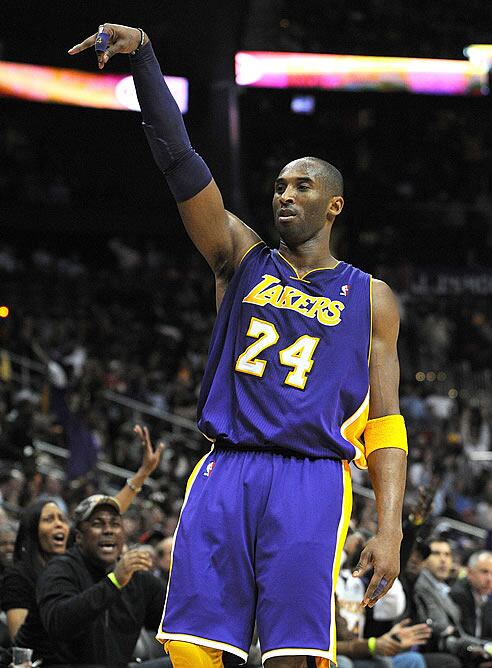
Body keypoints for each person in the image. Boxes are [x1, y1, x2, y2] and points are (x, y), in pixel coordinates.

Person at [69, 23, 409, 668]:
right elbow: (179, 162)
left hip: (312, 477)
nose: (284, 194)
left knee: (293, 650)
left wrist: (389, 526)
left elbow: (387, 424)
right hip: (228, 465)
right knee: (195, 646)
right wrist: (145, 61)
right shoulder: (239, 258)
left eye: (301, 186)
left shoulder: (373, 298)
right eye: (279, 185)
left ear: (334, 205)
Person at [0, 425, 163, 653]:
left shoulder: (77, 556)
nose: (59, 524)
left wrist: (143, 473)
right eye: (49, 519)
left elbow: (104, 517)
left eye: (61, 519)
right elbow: (22, 643)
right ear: (31, 531)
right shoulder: (21, 577)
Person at [36, 494, 166, 667]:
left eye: (115, 524)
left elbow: (178, 619)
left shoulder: (138, 579)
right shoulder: (59, 570)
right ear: (79, 537)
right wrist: (114, 582)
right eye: (98, 524)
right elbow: (59, 623)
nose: (108, 530)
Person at [414, 539, 492, 667]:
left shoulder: (442, 589)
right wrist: (480, 648)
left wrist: (483, 646)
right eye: (436, 553)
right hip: (435, 650)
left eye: (447, 554)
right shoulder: (423, 586)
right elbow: (444, 632)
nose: (443, 560)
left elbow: (457, 633)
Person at [450, 551, 492, 640]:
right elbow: (466, 636)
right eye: (484, 572)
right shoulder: (459, 595)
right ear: (469, 572)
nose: (489, 579)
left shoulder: (486, 596)